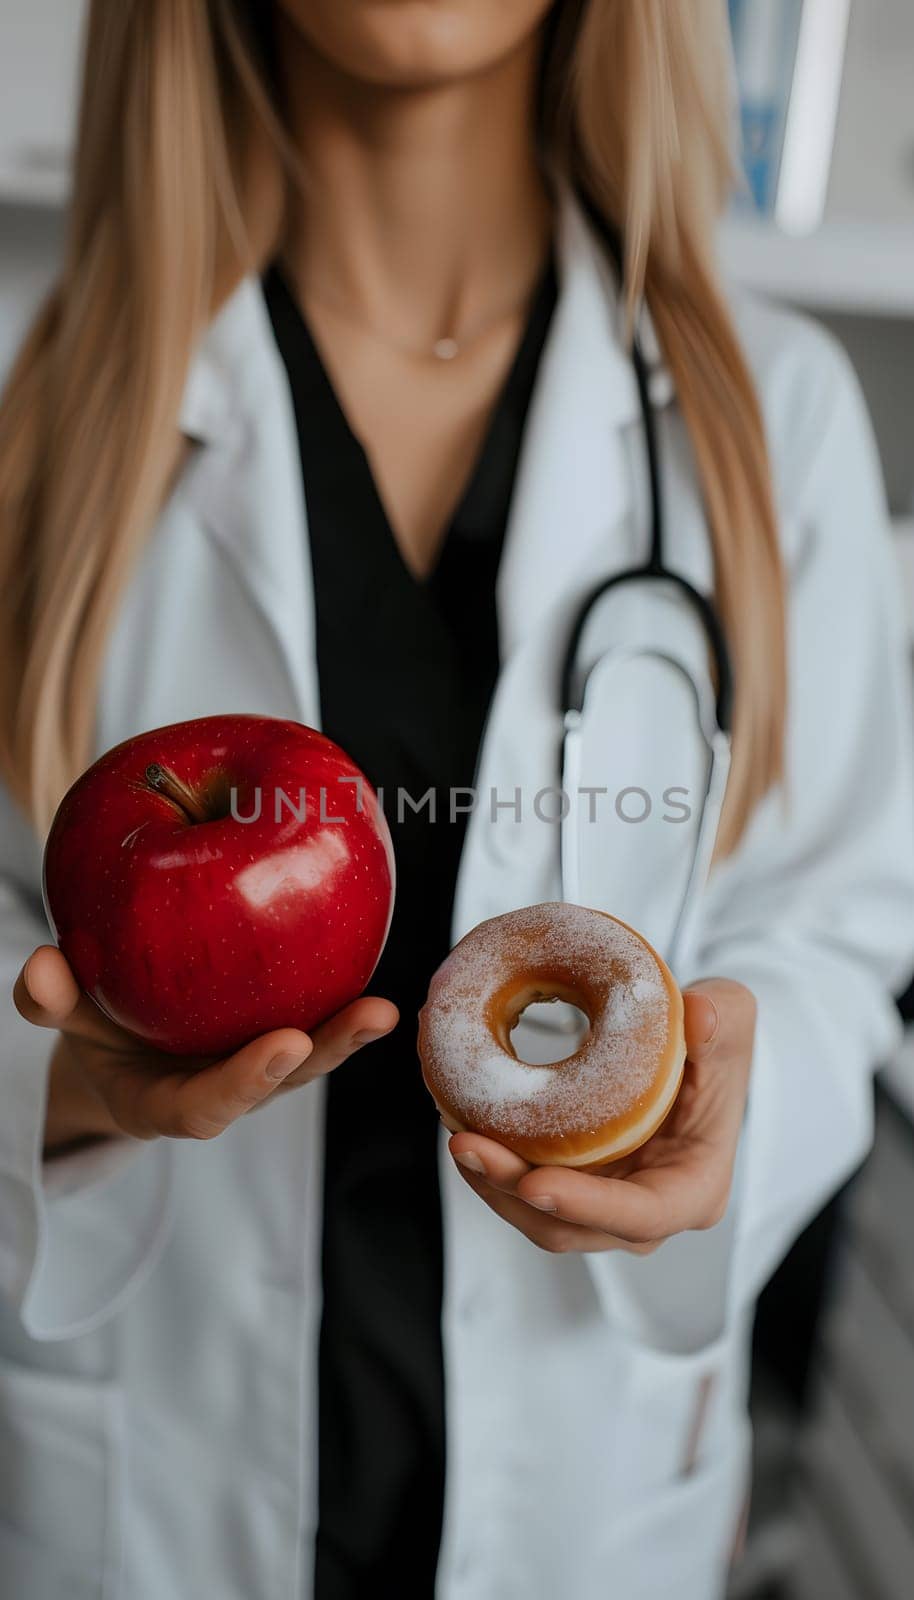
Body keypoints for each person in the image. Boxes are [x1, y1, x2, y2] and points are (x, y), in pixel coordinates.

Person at [0, 3, 911, 1598]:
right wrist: (63, 1099)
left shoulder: (776, 419)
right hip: (137, 1488)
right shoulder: (33, 396)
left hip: (588, 1502)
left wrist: (718, 1127)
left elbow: (837, 927)